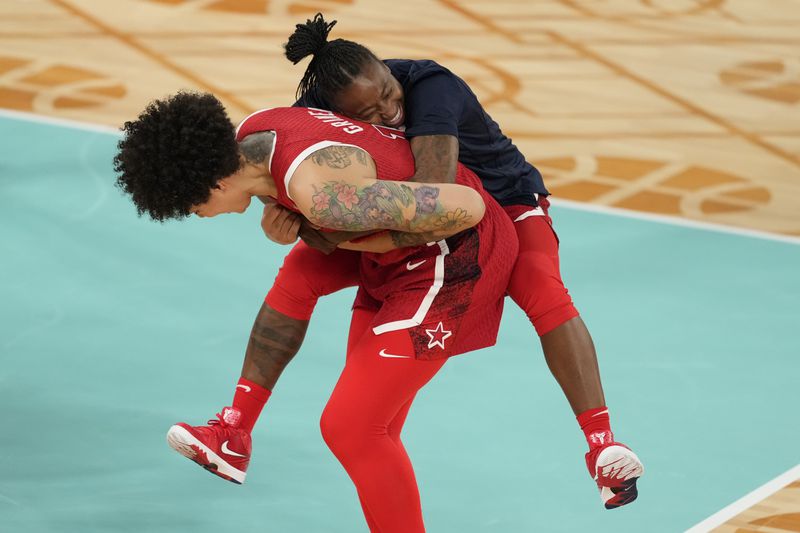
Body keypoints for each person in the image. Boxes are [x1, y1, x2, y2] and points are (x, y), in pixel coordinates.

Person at [176, 13, 642, 510]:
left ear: (390, 73)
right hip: (394, 214)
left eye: (390, 95)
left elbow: (433, 197)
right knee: (299, 272)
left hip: (492, 203)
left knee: (539, 285)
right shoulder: (311, 109)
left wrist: (330, 227)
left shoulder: (431, 89)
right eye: (370, 113)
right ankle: (235, 429)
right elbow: (278, 171)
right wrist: (283, 214)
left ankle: (601, 442)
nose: (389, 113)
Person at [114, 91, 518, 532]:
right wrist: (298, 220)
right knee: (300, 279)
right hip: (390, 248)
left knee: (352, 428)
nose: (196, 215)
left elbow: (466, 207)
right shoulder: (257, 130)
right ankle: (234, 431)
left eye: (190, 207)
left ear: (217, 184)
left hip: (455, 256)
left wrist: (356, 239)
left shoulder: (323, 197)